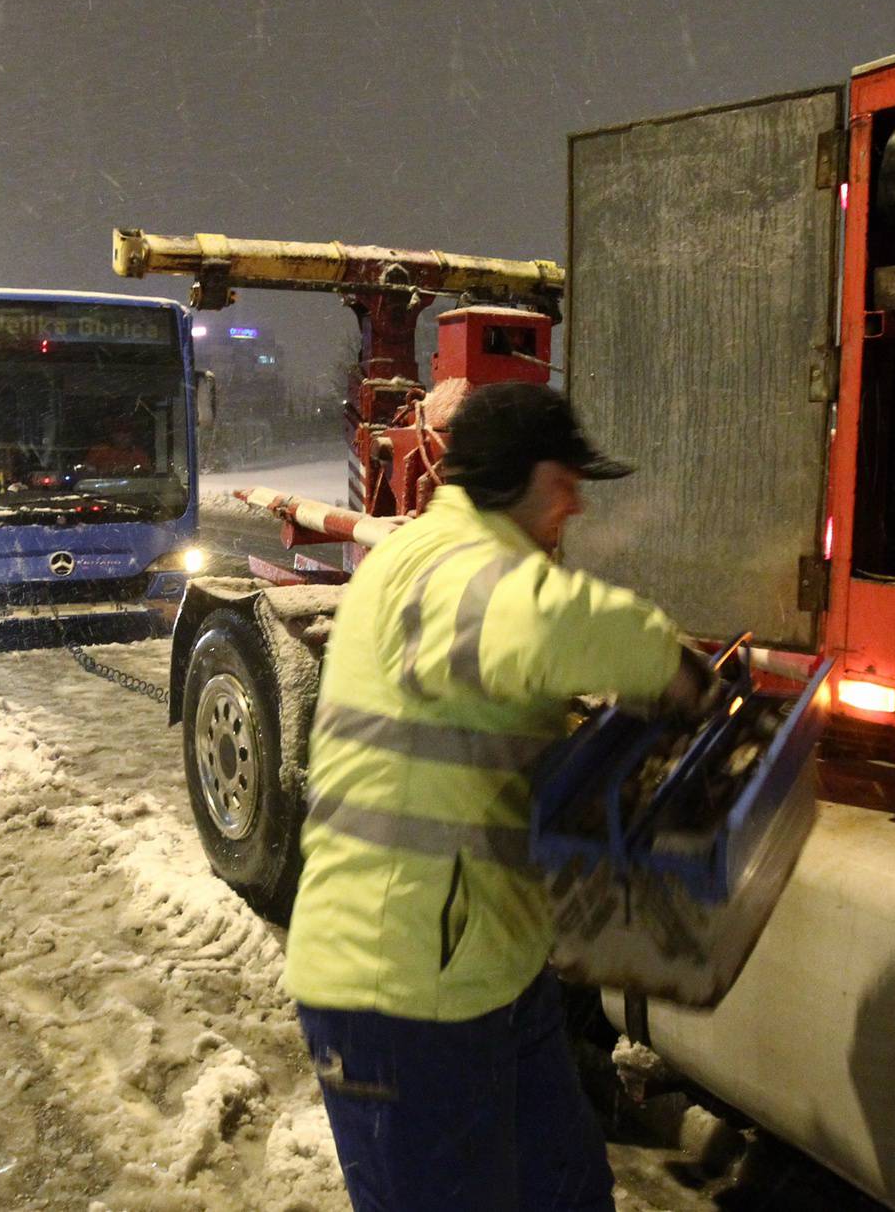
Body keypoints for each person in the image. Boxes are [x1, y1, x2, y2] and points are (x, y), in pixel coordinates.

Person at [283, 381, 717, 1212]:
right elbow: (559, 623)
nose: (578, 505)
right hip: (400, 993)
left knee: (568, 1190)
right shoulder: (459, 570)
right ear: (518, 481)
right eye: (566, 483)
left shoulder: (434, 553)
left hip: (490, 971)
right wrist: (674, 667)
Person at [83, 420, 152, 474]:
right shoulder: (98, 451)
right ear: (112, 434)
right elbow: (87, 472)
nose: (124, 436)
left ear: (132, 435)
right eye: (119, 431)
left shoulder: (139, 454)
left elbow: (146, 474)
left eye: (127, 432)